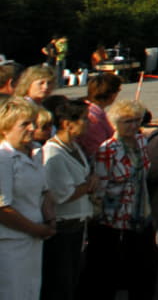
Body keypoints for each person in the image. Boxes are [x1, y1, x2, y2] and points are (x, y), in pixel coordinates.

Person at [84, 97, 156, 300]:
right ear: (115, 123)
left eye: (136, 120)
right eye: (127, 121)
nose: (133, 125)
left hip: (142, 215)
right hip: (114, 222)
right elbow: (99, 191)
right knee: (109, 276)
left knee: (145, 271)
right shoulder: (108, 149)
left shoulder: (142, 142)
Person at [42, 96, 98, 298]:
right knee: (60, 283)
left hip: (79, 222)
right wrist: (88, 186)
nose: (88, 123)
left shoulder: (75, 147)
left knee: (73, 280)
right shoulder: (53, 153)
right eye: (83, 119)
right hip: (63, 226)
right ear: (67, 124)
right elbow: (61, 194)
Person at [0, 97, 52, 298]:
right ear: (5, 128)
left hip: (34, 241)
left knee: (31, 292)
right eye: (24, 124)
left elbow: (45, 191)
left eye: (33, 122)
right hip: (9, 244)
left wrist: (50, 219)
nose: (32, 128)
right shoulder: (3, 158)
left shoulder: (35, 152)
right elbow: (3, 209)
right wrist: (38, 229)